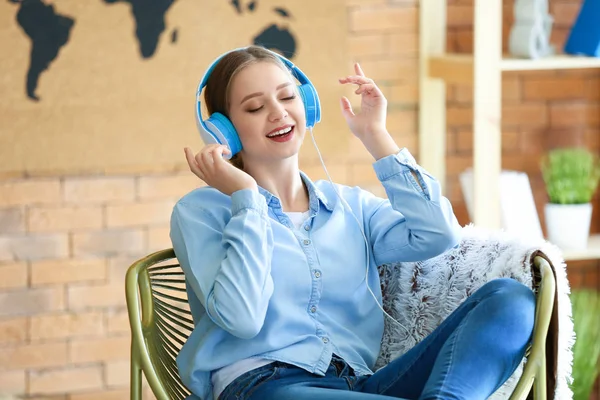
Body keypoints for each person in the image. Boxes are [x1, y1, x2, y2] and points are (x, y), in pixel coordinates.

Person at [170, 45, 536, 400]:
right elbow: (243, 319)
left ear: (307, 105)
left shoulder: (351, 206)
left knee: (511, 300)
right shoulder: (203, 211)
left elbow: (439, 234)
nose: (278, 113)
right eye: (254, 107)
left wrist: (376, 136)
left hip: (359, 384)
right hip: (263, 386)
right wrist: (246, 200)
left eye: (287, 97)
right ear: (223, 131)